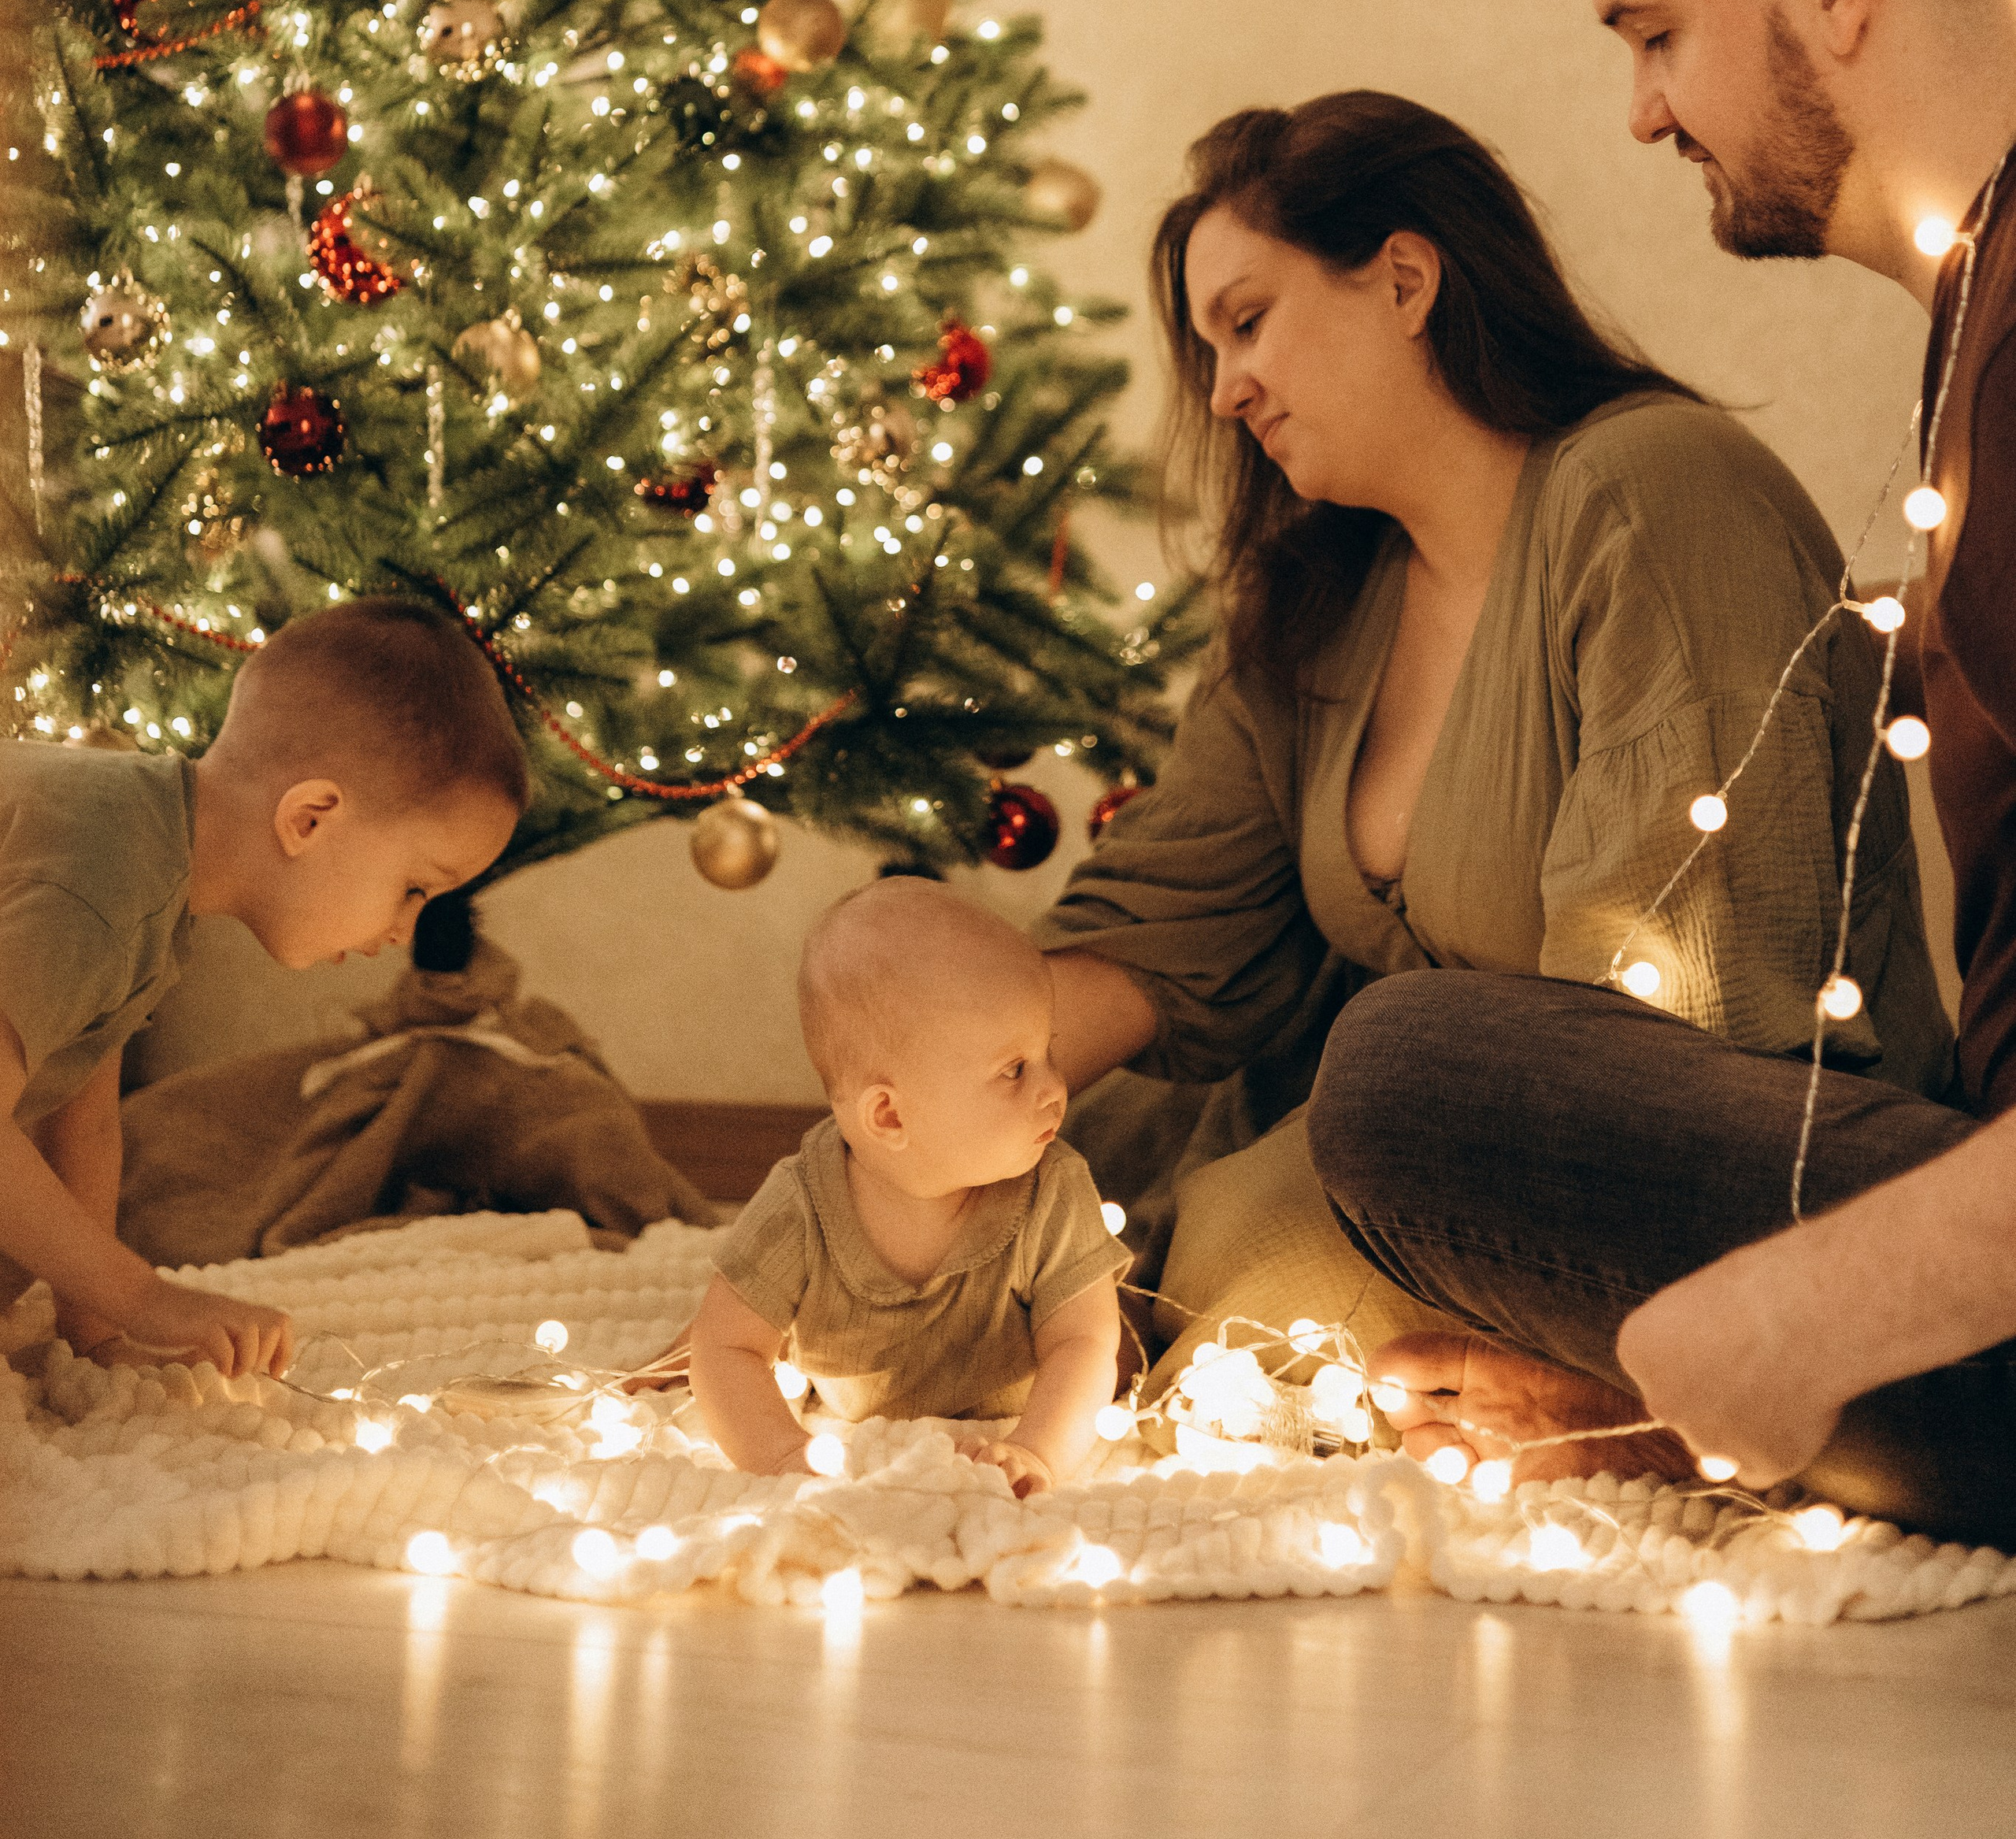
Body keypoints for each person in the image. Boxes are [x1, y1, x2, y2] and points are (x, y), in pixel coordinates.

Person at [1312, 0, 2016, 1544]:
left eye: (1651, 31)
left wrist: (1801, 1310)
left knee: (1411, 1072)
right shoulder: (1977, 328)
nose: (1636, 112)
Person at [1037, 91, 1950, 1396]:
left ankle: (1103, 1316)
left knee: (1378, 1088)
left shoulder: (1652, 488)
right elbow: (1152, 931)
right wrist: (918, 1116)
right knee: (1085, 1137)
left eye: (1249, 321)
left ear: (1405, 279)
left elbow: (1686, 1026)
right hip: (1425, 1148)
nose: (1226, 388)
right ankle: (1042, 1298)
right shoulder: (1319, 607)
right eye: (1209, 349)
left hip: (1692, 1173)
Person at [0, 596, 526, 1379]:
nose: (404, 932)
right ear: (311, 818)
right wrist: (143, 1297)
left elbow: (83, 1122)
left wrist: (97, 1324)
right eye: (416, 887)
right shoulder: (100, 886)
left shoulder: (148, 863)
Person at [687, 882, 1125, 1494]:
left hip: (1009, 1417)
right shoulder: (804, 1204)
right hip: (849, 1435)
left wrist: (1038, 1450)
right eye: (1014, 1070)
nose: (1054, 1088)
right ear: (890, 1117)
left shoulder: (1052, 1191)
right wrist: (781, 1455)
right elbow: (722, 1347)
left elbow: (1084, 1342)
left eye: (1047, 1053)